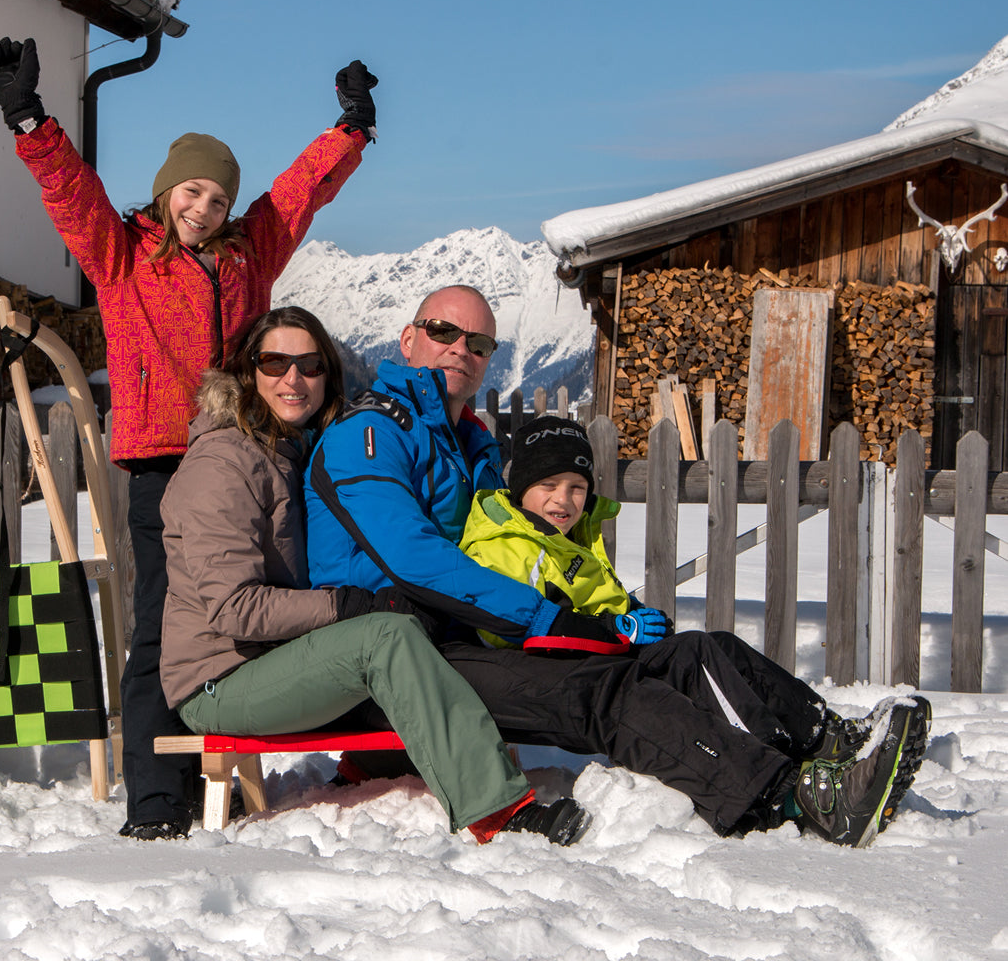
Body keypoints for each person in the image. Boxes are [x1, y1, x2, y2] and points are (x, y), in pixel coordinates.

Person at [305, 285, 931, 847]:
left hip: (464, 635)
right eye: (443, 332)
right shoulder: (368, 434)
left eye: (479, 342)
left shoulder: (472, 444)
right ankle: (796, 797)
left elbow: (530, 549)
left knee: (690, 653)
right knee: (602, 692)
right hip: (392, 661)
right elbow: (416, 561)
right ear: (408, 337)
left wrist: (606, 612)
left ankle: (831, 740)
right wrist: (550, 618)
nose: (460, 349)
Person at [0, 36, 376, 839]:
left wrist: (353, 130)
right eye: (192, 192)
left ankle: (221, 770)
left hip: (249, 461)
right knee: (165, 622)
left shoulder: (248, 257)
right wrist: (29, 117)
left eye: (219, 200)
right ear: (167, 192)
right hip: (164, 465)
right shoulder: (121, 254)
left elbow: (299, 194)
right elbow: (71, 194)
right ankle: (157, 799)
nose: (204, 208)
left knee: (252, 614)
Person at [159, 306, 590, 845]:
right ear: (248, 374)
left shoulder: (289, 452)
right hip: (219, 680)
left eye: (311, 365)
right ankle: (495, 810)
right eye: (274, 363)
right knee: (384, 635)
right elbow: (233, 609)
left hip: (270, 662)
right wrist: (348, 606)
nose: (294, 378)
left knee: (408, 621)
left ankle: (373, 768)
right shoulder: (221, 466)